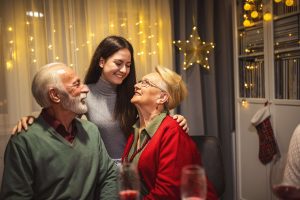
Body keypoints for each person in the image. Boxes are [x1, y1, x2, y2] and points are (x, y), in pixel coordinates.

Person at [12, 35, 188, 162]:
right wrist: (32, 119)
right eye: (118, 63)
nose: (124, 71)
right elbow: (60, 119)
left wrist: (178, 119)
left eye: (128, 65)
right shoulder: (83, 93)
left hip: (135, 168)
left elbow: (156, 121)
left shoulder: (133, 95)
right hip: (102, 171)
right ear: (102, 62)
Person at [0, 63, 118, 200]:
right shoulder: (23, 141)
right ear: (55, 95)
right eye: (76, 84)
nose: (85, 89)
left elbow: (109, 176)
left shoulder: (91, 131)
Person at [121, 66, 218, 199]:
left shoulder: (172, 131)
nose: (136, 86)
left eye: (145, 83)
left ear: (162, 98)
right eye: (139, 81)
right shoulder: (136, 129)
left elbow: (167, 193)